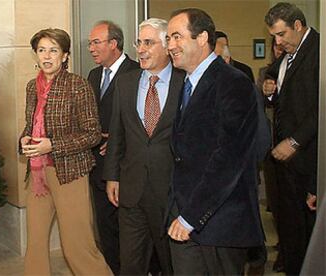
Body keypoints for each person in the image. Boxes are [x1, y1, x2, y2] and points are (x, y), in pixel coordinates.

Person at [166, 8, 264, 275]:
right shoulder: (186, 84)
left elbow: (229, 159)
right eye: (168, 38)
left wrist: (190, 217)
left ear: (202, 38)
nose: (170, 45)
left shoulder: (233, 83)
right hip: (184, 217)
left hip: (220, 223)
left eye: (177, 36)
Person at [20, 28, 112, 276]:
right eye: (41, 50)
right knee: (36, 245)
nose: (47, 56)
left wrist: (53, 144)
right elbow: (30, 126)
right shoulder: (32, 87)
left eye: (53, 50)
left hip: (69, 174)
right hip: (38, 174)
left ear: (64, 55)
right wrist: (24, 140)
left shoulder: (78, 85)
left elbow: (92, 133)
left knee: (77, 247)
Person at [103, 18, 184, 275]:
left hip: (171, 193)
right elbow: (117, 133)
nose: (141, 49)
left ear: (166, 46)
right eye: (139, 43)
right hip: (132, 189)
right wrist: (112, 176)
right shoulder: (126, 83)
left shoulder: (185, 83)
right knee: (131, 264)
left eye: (148, 43)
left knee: (172, 263)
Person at [263, 2, 319, 274]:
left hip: (310, 160)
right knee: (291, 232)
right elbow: (283, 96)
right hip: (286, 164)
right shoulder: (287, 56)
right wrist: (269, 90)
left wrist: (295, 141)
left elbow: (321, 108)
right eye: (274, 35)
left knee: (311, 238)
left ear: (298, 26)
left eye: (281, 34)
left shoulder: (319, 50)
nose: (277, 41)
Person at [87, 20, 139, 275]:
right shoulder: (94, 75)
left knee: (129, 230)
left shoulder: (138, 72)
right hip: (97, 166)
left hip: (127, 168)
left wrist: (119, 142)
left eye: (96, 42)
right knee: (105, 226)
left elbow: (146, 122)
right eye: (90, 43)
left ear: (113, 44)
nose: (91, 48)